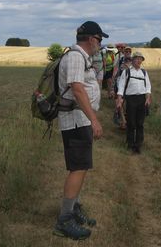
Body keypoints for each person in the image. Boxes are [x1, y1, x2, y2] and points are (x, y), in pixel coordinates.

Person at [53, 20, 108, 240]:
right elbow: (77, 89)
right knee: (78, 167)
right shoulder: (76, 56)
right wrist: (94, 120)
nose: (100, 44)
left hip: (80, 120)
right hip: (76, 120)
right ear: (91, 39)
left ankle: (73, 209)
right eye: (100, 39)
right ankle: (64, 220)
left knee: (82, 166)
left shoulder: (80, 57)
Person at [116, 51, 152, 154]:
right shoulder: (127, 72)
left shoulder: (144, 72)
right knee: (131, 122)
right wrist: (119, 98)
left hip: (141, 100)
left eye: (141, 59)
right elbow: (121, 86)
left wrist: (148, 97)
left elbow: (148, 86)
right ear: (133, 60)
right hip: (130, 99)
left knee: (140, 123)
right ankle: (130, 144)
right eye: (137, 58)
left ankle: (138, 145)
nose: (139, 60)